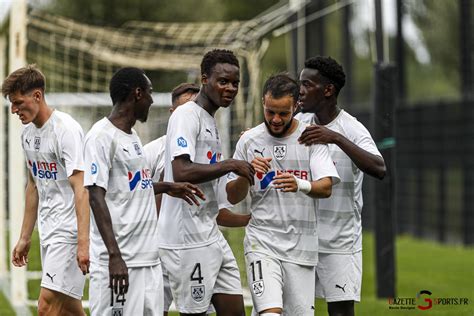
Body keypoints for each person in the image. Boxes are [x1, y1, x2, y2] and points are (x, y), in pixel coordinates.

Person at [83, 67, 205, 315]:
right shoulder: (100, 137)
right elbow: (96, 196)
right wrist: (114, 257)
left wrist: (168, 187)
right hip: (120, 262)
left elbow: (134, 186)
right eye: (149, 94)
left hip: (149, 261)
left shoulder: (134, 137)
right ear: (137, 94)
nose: (151, 100)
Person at [226, 73, 340, 315]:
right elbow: (233, 197)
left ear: (296, 106)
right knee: (270, 313)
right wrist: (245, 172)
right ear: (263, 105)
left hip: (301, 249)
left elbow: (326, 187)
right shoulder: (249, 140)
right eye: (270, 112)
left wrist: (300, 184)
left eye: (283, 113)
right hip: (262, 243)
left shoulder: (311, 138)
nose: (275, 119)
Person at [157, 49, 254, 316]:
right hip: (185, 240)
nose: (230, 88)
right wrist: (232, 163)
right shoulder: (186, 115)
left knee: (235, 310)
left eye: (235, 82)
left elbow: (224, 195)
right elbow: (181, 171)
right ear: (204, 79)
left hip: (209, 233)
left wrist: (245, 173)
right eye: (223, 81)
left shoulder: (210, 121)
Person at [295, 56, 386, 316]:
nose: (300, 90)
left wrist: (334, 138)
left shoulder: (352, 128)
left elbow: (379, 168)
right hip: (301, 240)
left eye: (307, 84)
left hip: (340, 242)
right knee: (296, 309)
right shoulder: (298, 124)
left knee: (340, 313)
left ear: (327, 90)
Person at [3, 64, 89, 315]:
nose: (13, 110)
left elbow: (81, 189)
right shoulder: (27, 135)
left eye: (18, 102)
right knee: (70, 310)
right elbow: (34, 186)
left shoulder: (66, 130)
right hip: (49, 231)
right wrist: (24, 237)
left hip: (69, 233)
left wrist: (83, 243)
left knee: (46, 307)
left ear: (37, 96)